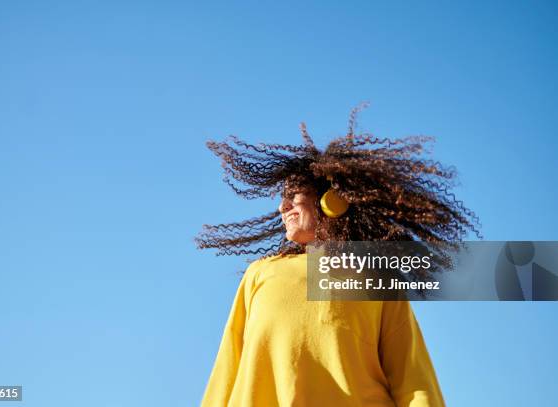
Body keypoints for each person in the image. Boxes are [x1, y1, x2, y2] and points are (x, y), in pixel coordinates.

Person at [196, 105, 480, 406]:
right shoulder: (261, 273)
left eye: (294, 195)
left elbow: (413, 381)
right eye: (282, 200)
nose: (283, 207)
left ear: (329, 199)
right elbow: (227, 369)